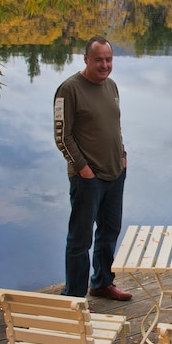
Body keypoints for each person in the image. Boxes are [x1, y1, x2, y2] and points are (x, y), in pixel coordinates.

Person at [53, 36, 132, 301]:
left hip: (115, 173)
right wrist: (83, 169)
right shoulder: (69, 90)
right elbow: (62, 137)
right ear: (86, 59)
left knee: (109, 233)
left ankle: (101, 283)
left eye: (108, 59)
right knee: (80, 240)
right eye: (98, 59)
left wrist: (122, 156)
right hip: (88, 179)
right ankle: (74, 298)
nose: (104, 65)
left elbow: (114, 126)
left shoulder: (111, 86)